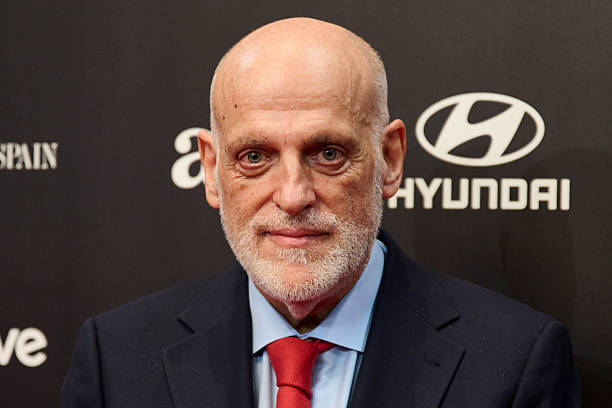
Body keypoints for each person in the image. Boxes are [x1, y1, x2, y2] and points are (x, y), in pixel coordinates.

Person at [61, 17, 581, 407]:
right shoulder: (117, 359)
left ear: (389, 159)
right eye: (255, 157)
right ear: (212, 169)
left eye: (328, 153)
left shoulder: (515, 363)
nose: (293, 196)